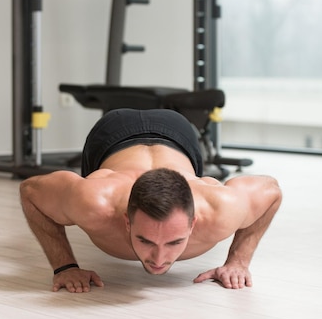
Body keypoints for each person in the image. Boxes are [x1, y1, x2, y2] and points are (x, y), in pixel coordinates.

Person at [20, 108, 282, 293]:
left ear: (193, 223)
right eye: (145, 240)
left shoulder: (221, 208)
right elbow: (30, 191)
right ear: (127, 221)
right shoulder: (94, 201)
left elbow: (272, 192)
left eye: (174, 241)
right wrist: (64, 266)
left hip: (176, 130)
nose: (159, 257)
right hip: (113, 131)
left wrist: (238, 262)